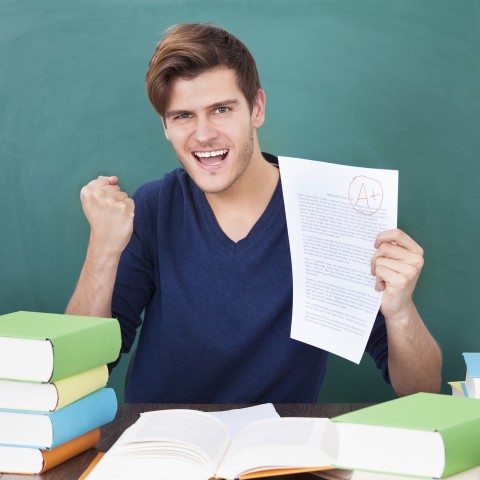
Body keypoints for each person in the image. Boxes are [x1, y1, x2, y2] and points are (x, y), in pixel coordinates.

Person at [66, 23, 442, 403]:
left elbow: (419, 388)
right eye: (183, 116)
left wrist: (401, 311)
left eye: (221, 109)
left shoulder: (332, 211)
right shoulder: (153, 208)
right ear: (165, 125)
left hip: (280, 454)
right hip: (162, 449)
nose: (203, 135)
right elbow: (79, 369)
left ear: (257, 108)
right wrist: (101, 252)